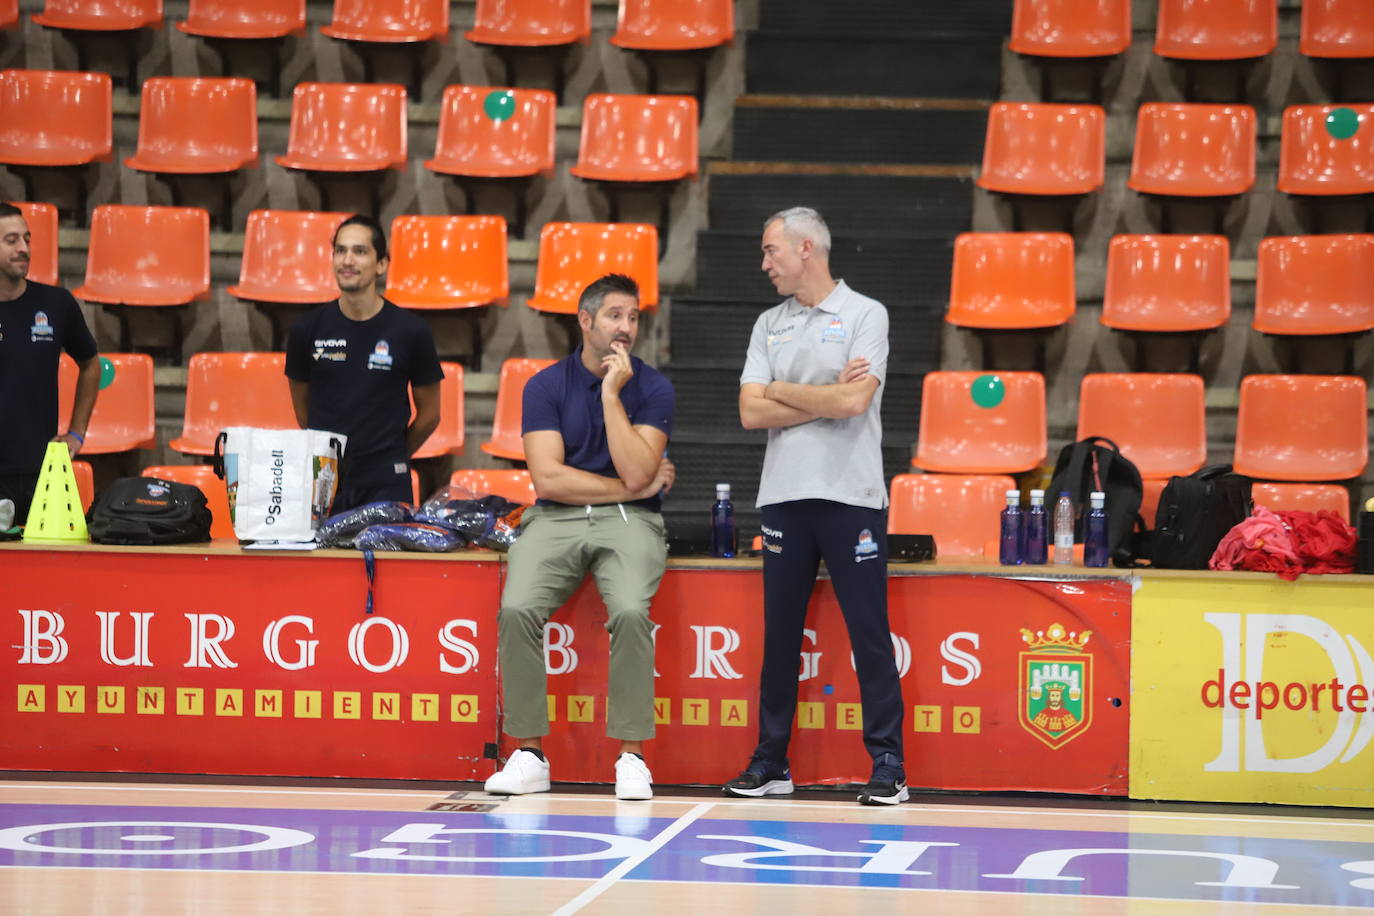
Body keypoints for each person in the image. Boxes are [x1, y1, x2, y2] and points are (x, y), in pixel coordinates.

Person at [726, 206, 907, 806]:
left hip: (852, 497)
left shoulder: (866, 314)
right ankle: (770, 762)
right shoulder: (767, 324)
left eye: (770, 250)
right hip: (783, 497)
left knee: (869, 635)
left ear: (806, 249)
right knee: (780, 637)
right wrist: (826, 396)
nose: (763, 263)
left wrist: (780, 388)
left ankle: (887, 765)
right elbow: (751, 413)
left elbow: (857, 404)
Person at [484, 273, 675, 801]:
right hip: (556, 517)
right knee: (518, 607)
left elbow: (641, 472)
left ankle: (632, 757)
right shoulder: (544, 386)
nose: (626, 328)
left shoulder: (653, 387)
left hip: (631, 524)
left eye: (634, 317)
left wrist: (613, 395)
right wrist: (630, 487)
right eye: (615, 315)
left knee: (632, 611)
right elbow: (549, 478)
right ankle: (528, 754)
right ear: (585, 321)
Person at [284, 215, 443, 513]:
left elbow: (430, 415)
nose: (347, 260)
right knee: (324, 561)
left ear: (382, 263)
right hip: (324, 475)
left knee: (384, 560)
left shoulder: (411, 331)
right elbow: (303, 412)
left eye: (360, 251)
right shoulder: (306, 329)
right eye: (340, 251)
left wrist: (391, 454)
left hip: (386, 479)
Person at [0, 201, 99, 529]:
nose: (24, 248)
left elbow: (90, 364)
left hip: (40, 475)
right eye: (11, 240)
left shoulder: (56, 304)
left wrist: (76, 433)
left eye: (26, 238)